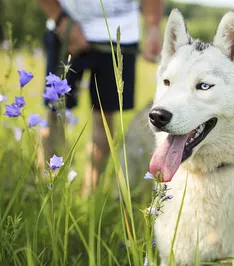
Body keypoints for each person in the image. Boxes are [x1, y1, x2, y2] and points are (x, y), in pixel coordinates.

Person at [36, 0, 163, 196]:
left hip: (120, 35)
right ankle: (48, 190)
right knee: (54, 114)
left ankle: (91, 196)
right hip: (64, 27)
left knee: (105, 119)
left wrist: (153, 26)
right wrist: (61, 20)